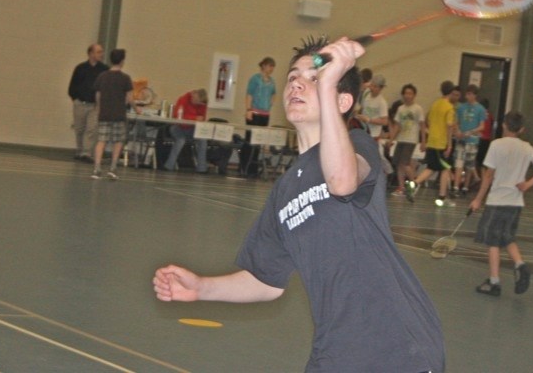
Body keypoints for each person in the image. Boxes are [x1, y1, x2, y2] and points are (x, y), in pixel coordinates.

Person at [153, 37, 446, 373]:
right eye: (293, 77)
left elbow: (341, 182)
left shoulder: (358, 145)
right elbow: (265, 280)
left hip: (396, 347)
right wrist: (202, 287)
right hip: (336, 352)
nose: (296, 83)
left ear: (342, 100)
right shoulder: (286, 189)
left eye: (313, 78)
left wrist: (330, 80)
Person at [469, 111, 533, 297]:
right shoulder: (527, 147)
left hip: (497, 201)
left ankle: (494, 282)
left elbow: (488, 175)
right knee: (507, 237)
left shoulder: (496, 145)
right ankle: (520, 265)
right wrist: (528, 184)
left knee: (493, 242)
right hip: (515, 202)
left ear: (504, 125)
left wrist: (478, 199)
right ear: (522, 129)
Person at [405, 81, 460, 207]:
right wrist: (450, 145)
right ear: (451, 92)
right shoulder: (449, 108)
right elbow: (449, 126)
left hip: (432, 141)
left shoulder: (435, 104)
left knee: (432, 167)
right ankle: (441, 197)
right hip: (441, 143)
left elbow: (428, 120)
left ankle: (414, 184)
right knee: (445, 168)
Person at [92, 48, 139, 180]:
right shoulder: (125, 78)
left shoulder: (102, 76)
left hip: (104, 114)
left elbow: (98, 95)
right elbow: (130, 98)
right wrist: (136, 109)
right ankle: (112, 168)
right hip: (118, 115)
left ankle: (97, 168)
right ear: (122, 61)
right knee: (118, 141)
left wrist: (99, 109)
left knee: (101, 141)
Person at [67, 44, 109, 162]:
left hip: (95, 105)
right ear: (91, 54)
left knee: (92, 129)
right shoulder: (80, 68)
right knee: (79, 129)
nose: (102, 54)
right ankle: (80, 151)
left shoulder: (104, 69)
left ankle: (87, 153)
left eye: (102, 52)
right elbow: (72, 86)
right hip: (80, 103)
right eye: (99, 52)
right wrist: (75, 99)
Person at [240, 57, 277, 178]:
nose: (271, 69)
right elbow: (249, 94)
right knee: (250, 141)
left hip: (265, 113)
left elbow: (273, 94)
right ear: (264, 66)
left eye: (273, 67)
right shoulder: (255, 79)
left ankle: (253, 169)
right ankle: (244, 166)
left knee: (259, 140)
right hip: (254, 112)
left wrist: (269, 105)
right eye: (270, 66)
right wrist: (248, 109)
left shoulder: (272, 81)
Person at [387, 84, 426, 196]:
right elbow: (397, 126)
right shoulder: (400, 109)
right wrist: (391, 139)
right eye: (406, 93)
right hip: (401, 139)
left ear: (414, 95)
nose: (407, 96)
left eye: (410, 93)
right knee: (399, 163)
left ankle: (415, 182)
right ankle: (401, 188)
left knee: (405, 163)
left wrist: (423, 142)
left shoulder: (418, 109)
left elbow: (422, 126)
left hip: (411, 140)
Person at [163, 88, 209, 172]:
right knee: (180, 140)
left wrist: (195, 119)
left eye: (199, 103)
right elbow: (178, 116)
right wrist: (195, 118)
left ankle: (202, 168)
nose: (197, 103)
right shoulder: (183, 99)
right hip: (178, 127)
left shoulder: (202, 104)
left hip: (192, 129)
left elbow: (202, 119)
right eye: (196, 100)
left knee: (203, 140)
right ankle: (169, 166)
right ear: (194, 94)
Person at [453, 84, 487, 195]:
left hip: (472, 140)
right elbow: (456, 122)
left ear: (475, 95)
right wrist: (457, 130)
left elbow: (482, 126)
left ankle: (465, 187)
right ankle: (456, 187)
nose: (468, 96)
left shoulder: (480, 109)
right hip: (461, 139)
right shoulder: (461, 107)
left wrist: (471, 132)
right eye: (467, 94)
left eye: (470, 94)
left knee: (469, 165)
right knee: (459, 163)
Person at [355, 74, 389, 139]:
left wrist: (369, 120)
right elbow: (362, 108)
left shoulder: (382, 102)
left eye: (375, 87)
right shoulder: (366, 95)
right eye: (371, 85)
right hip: (363, 131)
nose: (372, 88)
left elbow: (385, 121)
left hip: (374, 134)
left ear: (380, 88)